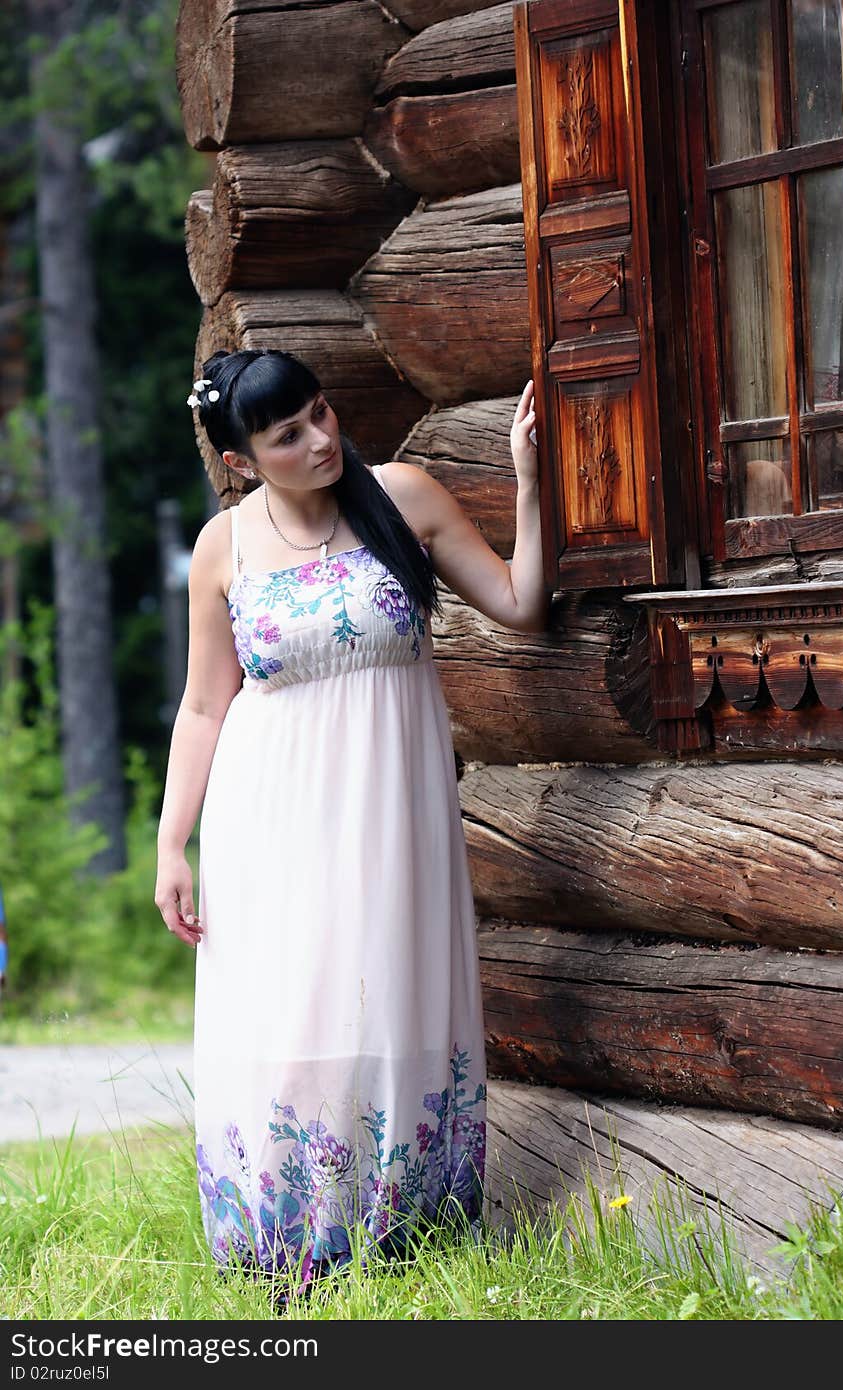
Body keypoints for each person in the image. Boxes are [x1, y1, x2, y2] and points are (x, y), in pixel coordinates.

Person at [154, 348, 549, 1296]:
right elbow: (206, 706)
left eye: (321, 414)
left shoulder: (401, 497)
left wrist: (530, 481)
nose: (322, 440)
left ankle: (408, 1219)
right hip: (269, 812)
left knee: (388, 980)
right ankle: (292, 1235)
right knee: (295, 999)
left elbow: (520, 604)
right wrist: (172, 842)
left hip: (390, 803)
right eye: (288, 435)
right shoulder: (227, 547)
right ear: (245, 459)